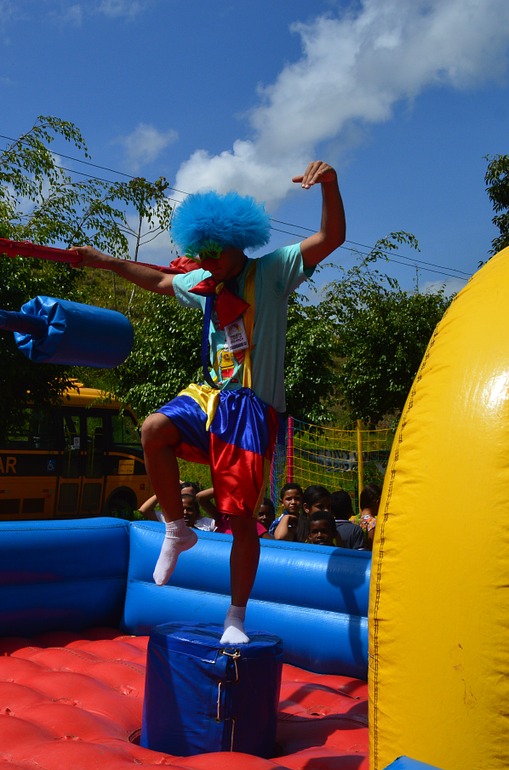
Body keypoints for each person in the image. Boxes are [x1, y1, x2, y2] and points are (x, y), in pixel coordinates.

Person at [74, 162, 346, 644]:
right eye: (200, 253)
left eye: (214, 252)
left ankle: (236, 617)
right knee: (153, 429)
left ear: (239, 242)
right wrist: (106, 261)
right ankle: (177, 529)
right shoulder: (204, 283)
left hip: (253, 409)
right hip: (212, 398)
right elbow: (158, 281)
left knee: (241, 519)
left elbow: (331, 236)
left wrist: (330, 184)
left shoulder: (274, 271)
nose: (207, 260)